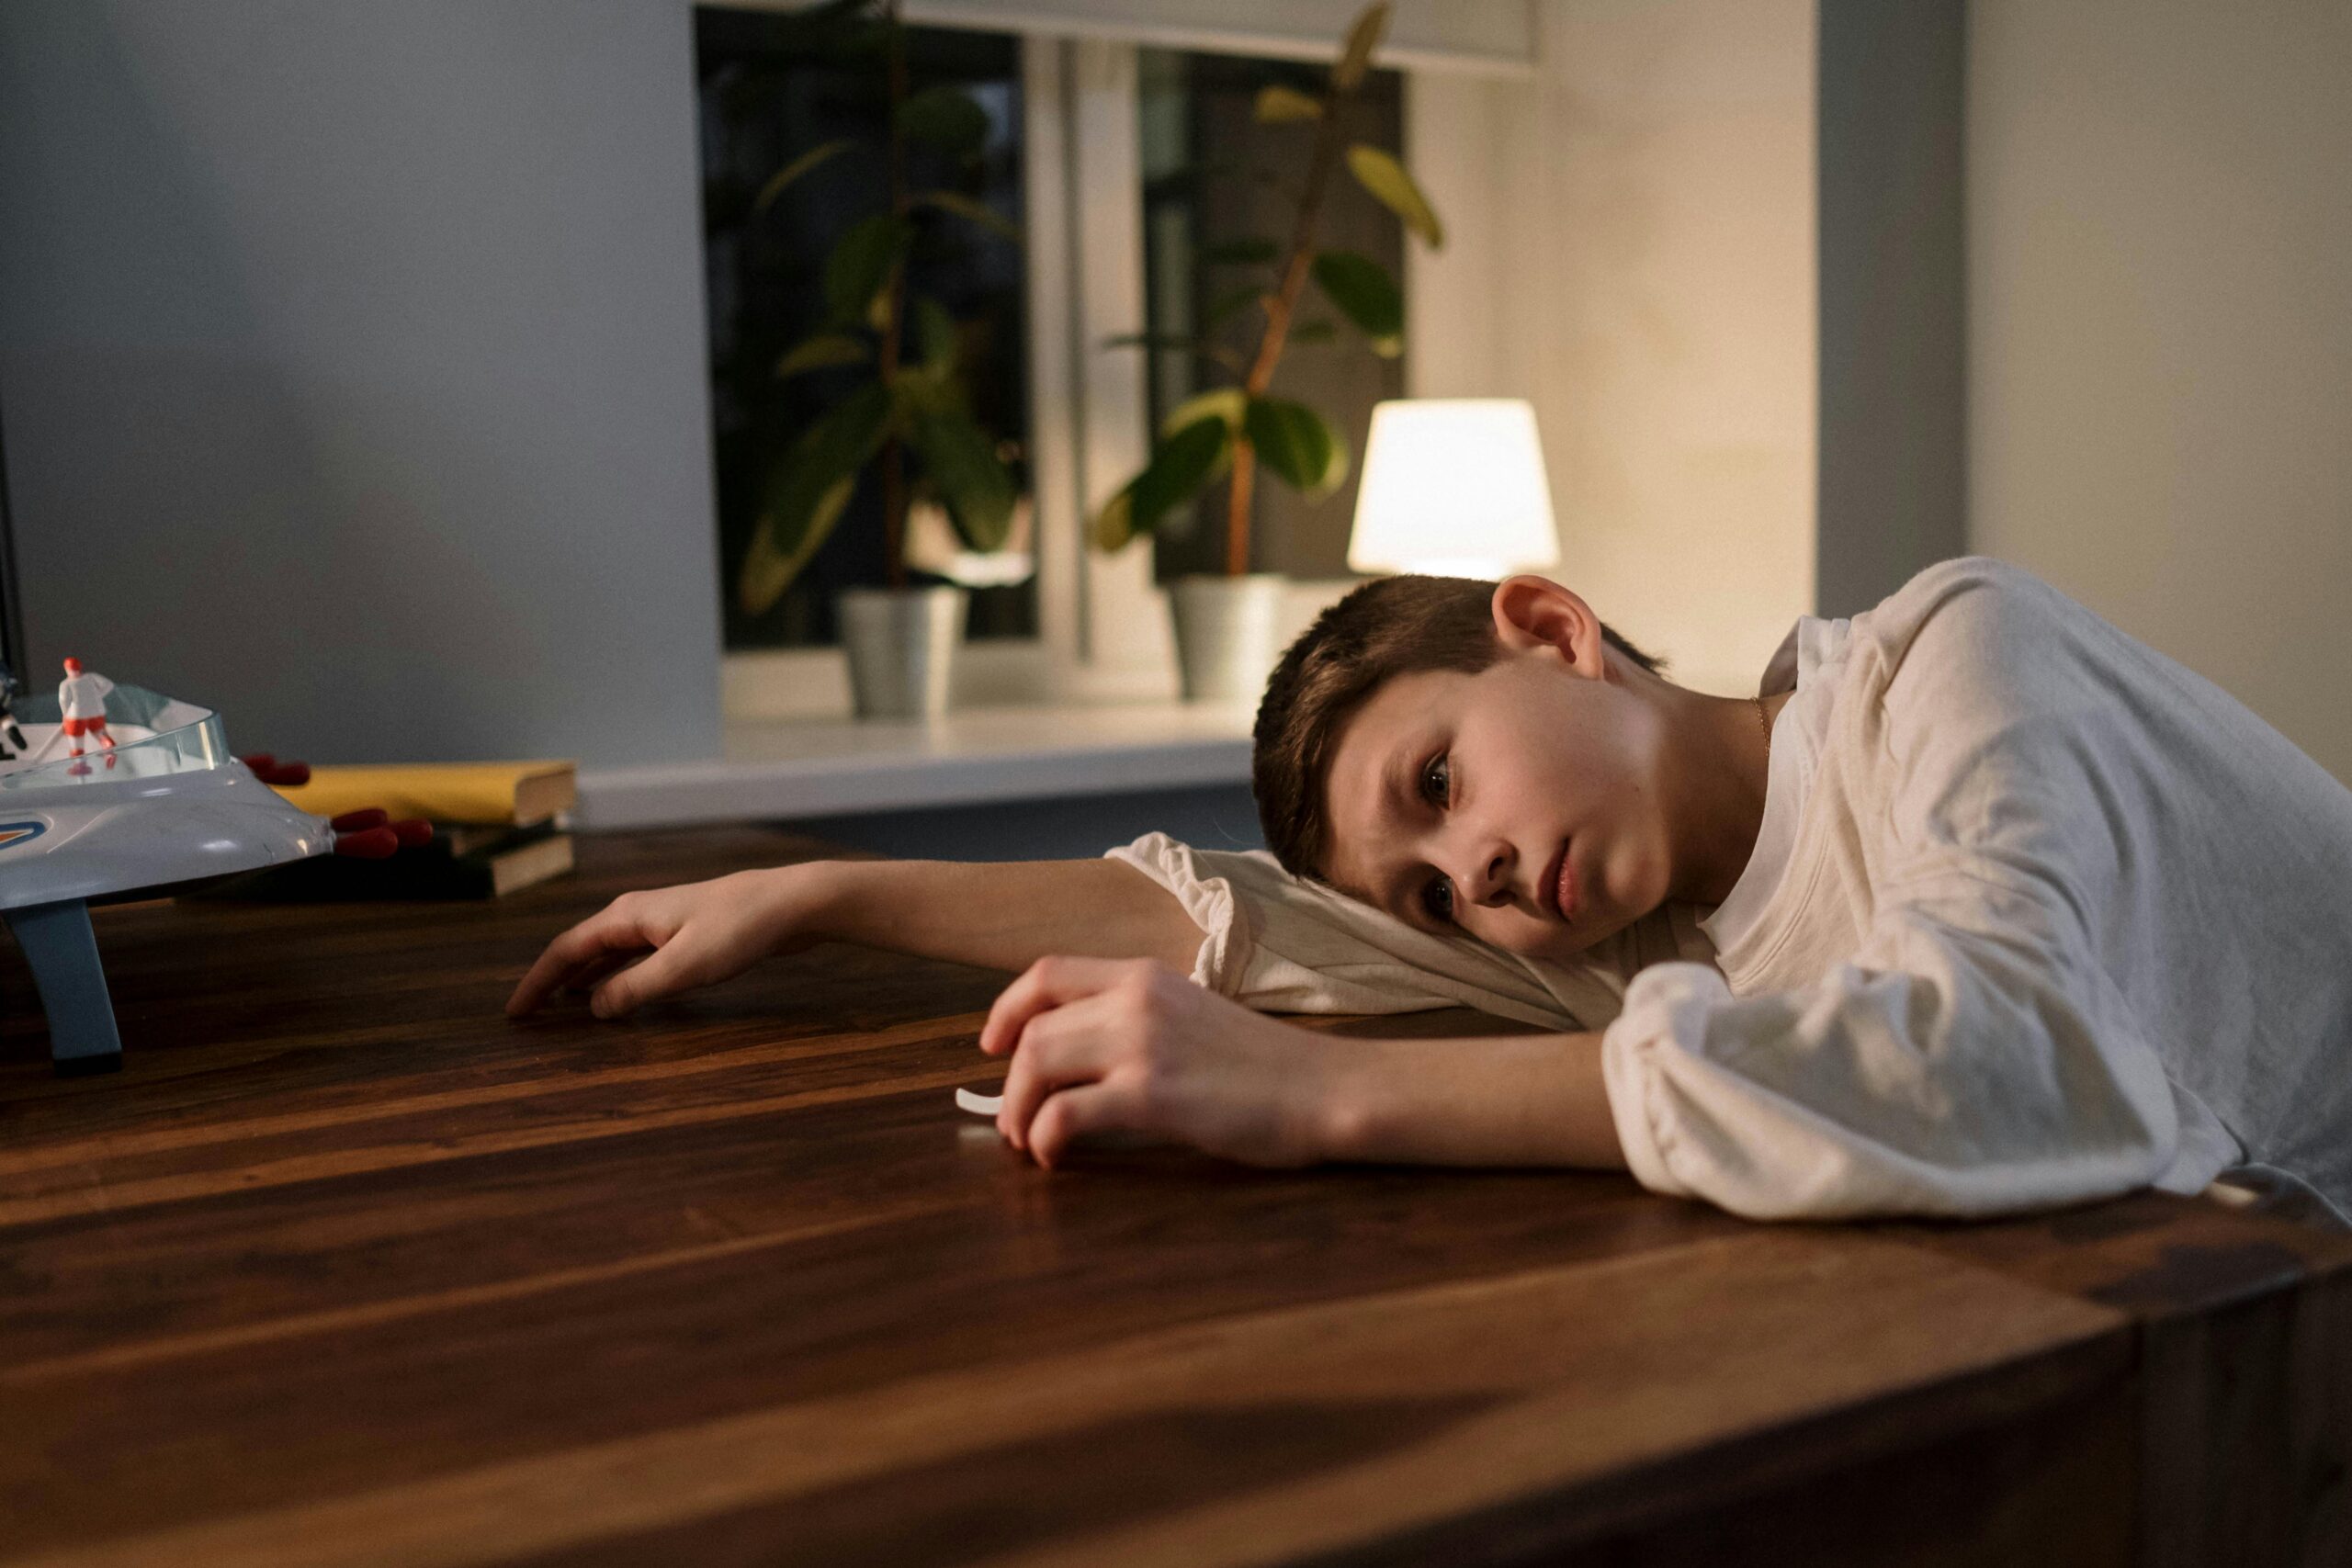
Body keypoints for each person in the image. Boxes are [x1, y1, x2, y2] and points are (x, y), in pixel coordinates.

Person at [508, 558, 2352, 1225]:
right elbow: (1255, 920)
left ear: (1548, 627)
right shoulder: (1642, 950)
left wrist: (1317, 1098)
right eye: (1433, 881)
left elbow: (2012, 1049)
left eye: (1439, 781)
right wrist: (820, 889)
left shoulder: (1950, 654)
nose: (1471, 877)